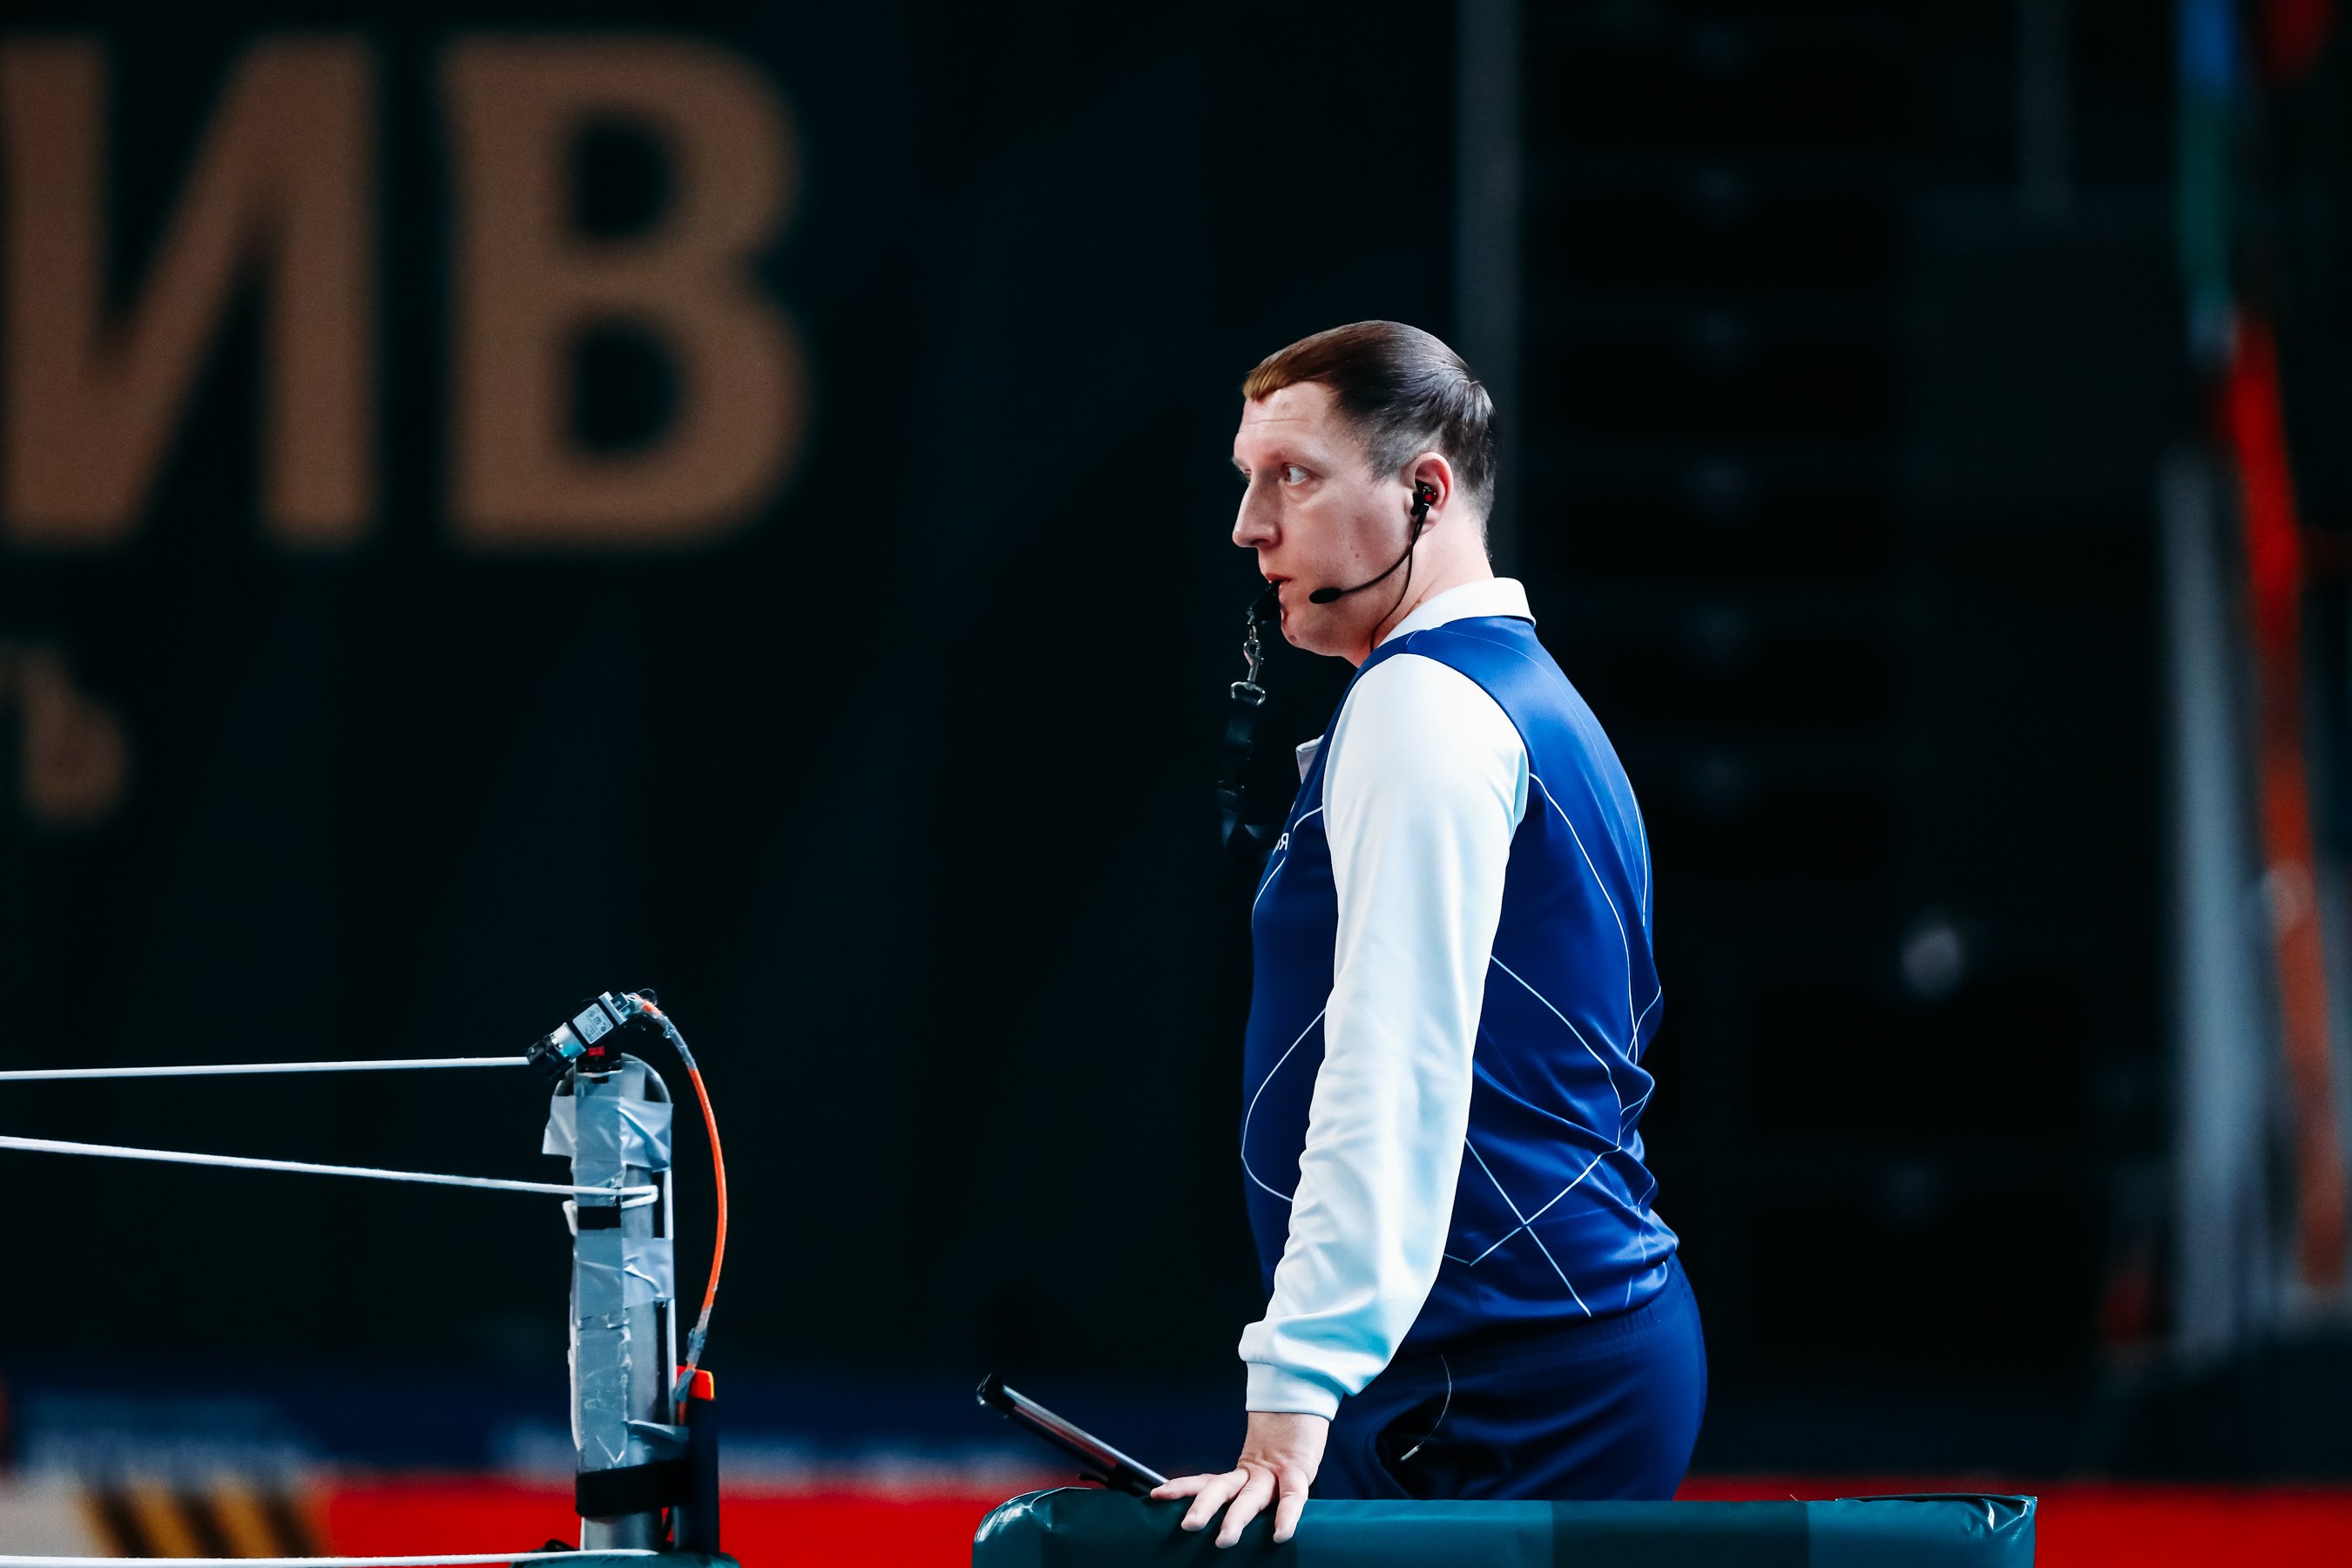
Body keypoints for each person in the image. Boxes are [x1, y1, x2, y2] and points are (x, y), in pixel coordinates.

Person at [1153, 322, 1705, 1546]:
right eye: (1247, 479)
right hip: (1529, 1347)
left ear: (1425, 492)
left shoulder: (1427, 707)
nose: (1248, 526)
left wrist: (1293, 1389)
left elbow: (1390, 1070)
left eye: (1292, 476)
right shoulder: (1509, 692)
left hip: (1508, 1372)